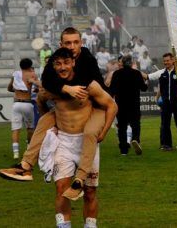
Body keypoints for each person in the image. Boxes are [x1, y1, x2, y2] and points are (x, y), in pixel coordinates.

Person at [0, 28, 107, 201]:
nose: (72, 46)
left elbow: (98, 92)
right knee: (44, 121)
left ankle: (80, 179)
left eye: (75, 42)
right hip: (67, 108)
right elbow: (47, 82)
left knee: (90, 132)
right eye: (67, 43)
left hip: (94, 106)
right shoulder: (57, 60)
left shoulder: (87, 59)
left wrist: (105, 129)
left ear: (81, 43)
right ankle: (25, 167)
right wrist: (65, 92)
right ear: (60, 45)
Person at [37, 47, 117, 228]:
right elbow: (40, 100)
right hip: (63, 142)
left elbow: (111, 105)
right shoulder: (50, 85)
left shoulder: (88, 84)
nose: (63, 67)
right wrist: (52, 124)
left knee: (89, 191)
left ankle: (90, 226)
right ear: (53, 66)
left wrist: (103, 132)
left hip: (87, 144)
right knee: (61, 189)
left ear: (73, 62)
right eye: (58, 64)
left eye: (66, 62)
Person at [146, 52, 177, 151]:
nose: (165, 62)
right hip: (166, 103)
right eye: (164, 61)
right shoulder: (161, 73)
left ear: (172, 60)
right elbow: (147, 77)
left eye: (167, 60)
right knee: (164, 124)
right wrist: (134, 71)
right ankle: (166, 145)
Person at [110, 55, 147, 155]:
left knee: (122, 127)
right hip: (134, 104)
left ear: (122, 62)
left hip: (120, 105)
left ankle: (123, 150)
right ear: (131, 63)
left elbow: (111, 90)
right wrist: (146, 81)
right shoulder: (136, 73)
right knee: (135, 125)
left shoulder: (116, 74)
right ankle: (135, 140)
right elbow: (144, 88)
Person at [7, 59, 37, 159]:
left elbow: (9, 88)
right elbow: (38, 87)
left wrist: (16, 91)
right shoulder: (32, 75)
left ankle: (16, 153)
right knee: (30, 128)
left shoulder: (15, 74)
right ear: (30, 66)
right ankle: (28, 149)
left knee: (16, 129)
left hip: (16, 103)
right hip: (28, 104)